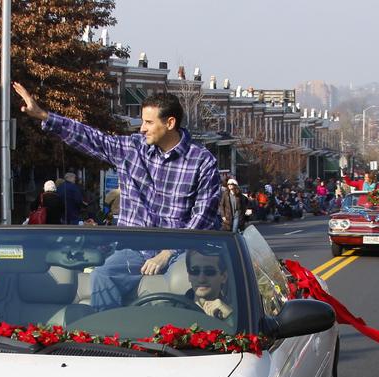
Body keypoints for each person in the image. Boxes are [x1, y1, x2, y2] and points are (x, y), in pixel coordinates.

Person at [14, 81, 220, 310]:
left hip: (178, 251)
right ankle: (109, 337)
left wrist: (167, 253)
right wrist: (44, 115)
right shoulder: (132, 149)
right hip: (134, 249)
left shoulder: (202, 161)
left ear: (170, 123)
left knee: (183, 284)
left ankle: (180, 340)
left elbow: (203, 218)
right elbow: (92, 138)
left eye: (148, 122)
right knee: (101, 275)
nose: (141, 128)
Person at [184, 249, 232, 320]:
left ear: (224, 277)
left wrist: (230, 318)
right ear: (189, 276)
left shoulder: (234, 313)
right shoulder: (172, 309)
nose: (201, 279)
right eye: (195, 271)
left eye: (209, 271)